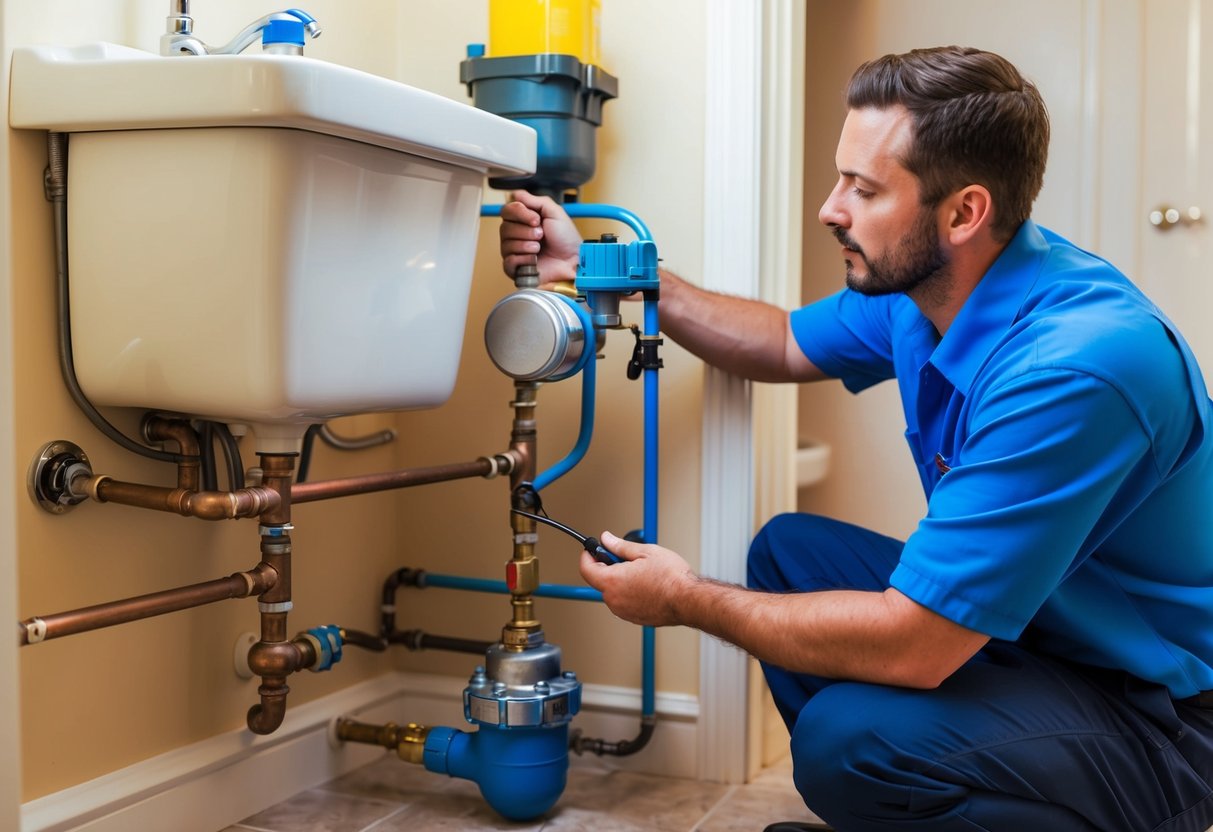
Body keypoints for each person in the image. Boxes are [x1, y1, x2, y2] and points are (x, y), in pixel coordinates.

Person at [499, 46, 1213, 832]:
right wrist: (606, 268)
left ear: (962, 212)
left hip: (1165, 718)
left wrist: (682, 599)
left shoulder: (1075, 366)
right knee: (788, 554)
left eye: (863, 188)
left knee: (849, 740)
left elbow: (916, 645)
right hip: (1048, 636)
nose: (829, 207)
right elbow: (776, 341)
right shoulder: (932, 287)